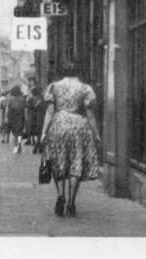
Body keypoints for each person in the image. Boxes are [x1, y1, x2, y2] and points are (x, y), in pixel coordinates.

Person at [40, 65, 102, 217]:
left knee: (58, 161)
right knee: (76, 163)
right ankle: (71, 203)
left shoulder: (54, 87)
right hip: (78, 125)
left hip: (59, 124)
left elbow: (49, 111)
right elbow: (90, 114)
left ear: (62, 73)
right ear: (77, 73)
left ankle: (61, 194)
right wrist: (97, 134)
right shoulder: (84, 88)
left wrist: (43, 132)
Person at [6, 86, 26, 154]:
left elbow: (8, 109)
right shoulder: (23, 99)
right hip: (21, 116)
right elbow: (25, 109)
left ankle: (15, 147)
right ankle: (19, 143)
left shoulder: (11, 99)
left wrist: (6, 117)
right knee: (20, 132)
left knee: (15, 133)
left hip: (13, 116)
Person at [25, 87, 44, 153]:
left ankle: (35, 143)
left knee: (33, 130)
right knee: (39, 130)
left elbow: (27, 105)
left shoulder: (31, 98)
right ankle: (39, 144)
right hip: (41, 116)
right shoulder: (41, 98)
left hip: (32, 115)